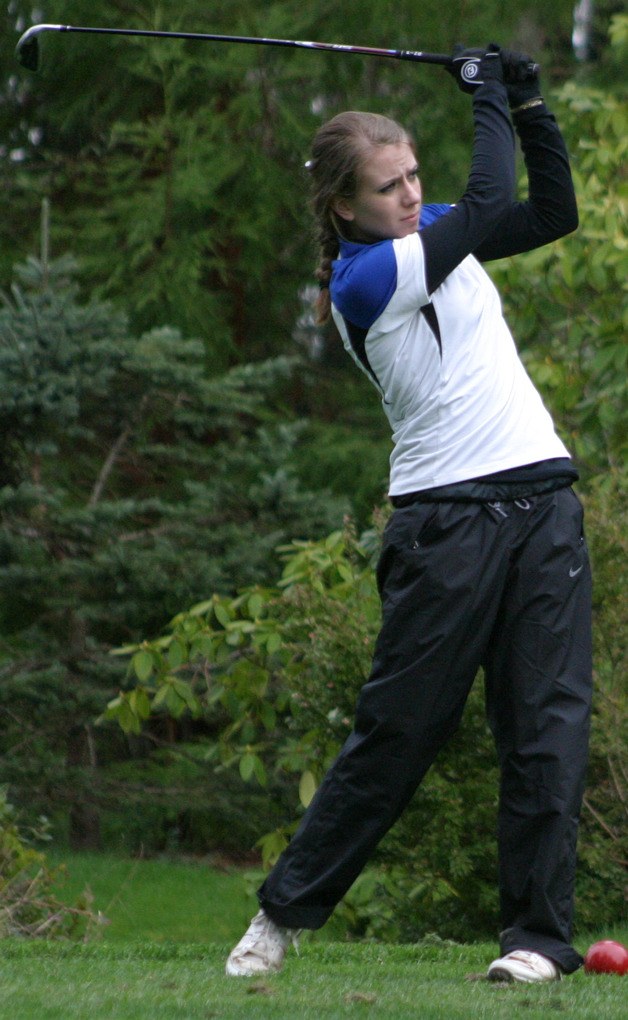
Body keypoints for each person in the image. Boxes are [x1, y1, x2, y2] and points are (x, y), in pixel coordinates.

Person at [226, 44, 592, 984]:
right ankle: (279, 918)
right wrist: (485, 101)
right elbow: (482, 201)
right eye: (389, 186)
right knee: (399, 736)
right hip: (446, 525)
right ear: (345, 206)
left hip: (543, 500)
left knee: (547, 730)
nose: (406, 195)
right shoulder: (363, 283)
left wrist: (531, 100)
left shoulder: (433, 230)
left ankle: (536, 945)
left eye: (412, 179)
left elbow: (553, 210)